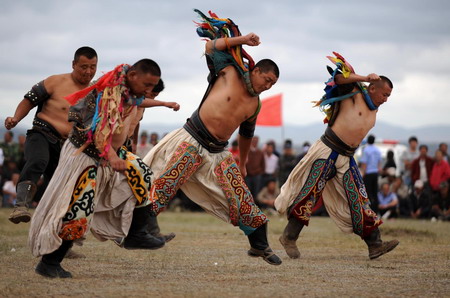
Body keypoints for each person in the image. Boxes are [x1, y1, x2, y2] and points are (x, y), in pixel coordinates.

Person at [143, 9, 281, 265]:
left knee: (243, 199)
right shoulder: (229, 71)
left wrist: (241, 164)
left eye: (273, 84)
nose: (268, 85)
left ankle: (260, 246)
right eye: (267, 79)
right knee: (163, 186)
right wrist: (242, 40)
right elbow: (210, 46)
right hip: (191, 139)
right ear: (257, 70)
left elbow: (246, 134)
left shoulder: (255, 105)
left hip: (219, 152)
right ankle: (139, 232)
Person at [29, 59, 164, 278]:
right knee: (78, 211)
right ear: (133, 77)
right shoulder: (111, 93)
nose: (149, 91)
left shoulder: (129, 92)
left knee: (143, 174)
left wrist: (165, 104)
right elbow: (99, 133)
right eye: (147, 85)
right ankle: (49, 262)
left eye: (152, 87)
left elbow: (139, 102)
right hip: (84, 156)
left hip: (108, 154)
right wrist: (112, 157)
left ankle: (137, 233)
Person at [275, 52, 399, 260]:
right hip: (327, 151)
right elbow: (339, 78)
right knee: (309, 194)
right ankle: (289, 236)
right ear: (373, 88)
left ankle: (375, 244)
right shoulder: (354, 93)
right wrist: (364, 78)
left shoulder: (374, 109)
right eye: (384, 95)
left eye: (388, 97)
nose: (385, 100)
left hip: (347, 159)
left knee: (359, 199)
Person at [4, 46, 98, 224]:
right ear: (73, 64)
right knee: (38, 161)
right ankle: (21, 205)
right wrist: (15, 118)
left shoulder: (95, 92)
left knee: (59, 189)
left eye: (93, 67)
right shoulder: (55, 81)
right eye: (84, 66)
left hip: (68, 146)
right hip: (42, 133)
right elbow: (29, 100)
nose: (88, 71)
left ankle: (57, 243)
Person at [360, 134, 382, 213]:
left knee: (367, 193)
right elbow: (379, 163)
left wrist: (363, 173)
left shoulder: (366, 150)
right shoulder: (377, 150)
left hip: (368, 173)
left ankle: (368, 210)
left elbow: (364, 163)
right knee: (375, 192)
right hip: (375, 173)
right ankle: (376, 210)